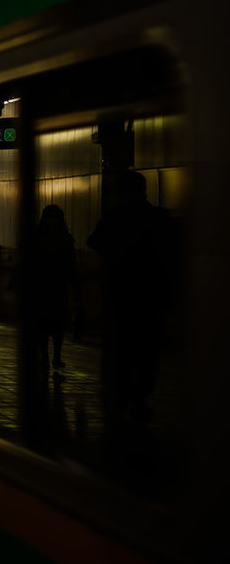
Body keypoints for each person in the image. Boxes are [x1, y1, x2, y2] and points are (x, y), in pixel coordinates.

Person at [87, 170, 181, 432]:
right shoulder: (160, 218)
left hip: (122, 293)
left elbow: (95, 242)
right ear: (144, 189)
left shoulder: (114, 218)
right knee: (149, 347)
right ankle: (141, 393)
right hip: (152, 295)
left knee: (124, 344)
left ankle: (123, 392)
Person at [27, 205, 82, 376]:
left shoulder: (36, 238)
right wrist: (75, 287)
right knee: (54, 323)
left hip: (43, 287)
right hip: (56, 286)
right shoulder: (65, 239)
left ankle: (48, 354)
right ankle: (53, 355)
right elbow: (72, 265)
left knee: (47, 323)